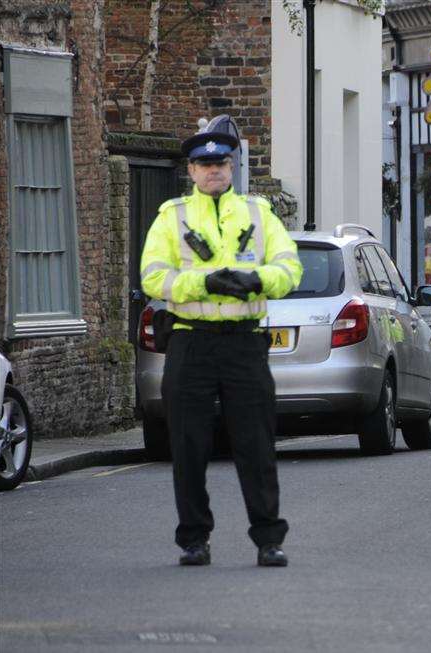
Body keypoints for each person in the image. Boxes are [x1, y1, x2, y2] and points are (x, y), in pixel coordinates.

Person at [140, 124, 302, 567]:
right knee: (188, 445)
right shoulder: (171, 216)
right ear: (191, 171)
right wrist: (204, 282)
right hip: (191, 342)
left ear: (232, 168)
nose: (214, 172)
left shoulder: (257, 213)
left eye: (221, 164)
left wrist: (256, 280)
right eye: (205, 165)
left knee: (256, 443)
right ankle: (194, 538)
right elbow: (152, 276)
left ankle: (269, 538)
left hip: (244, 343)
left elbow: (290, 269)